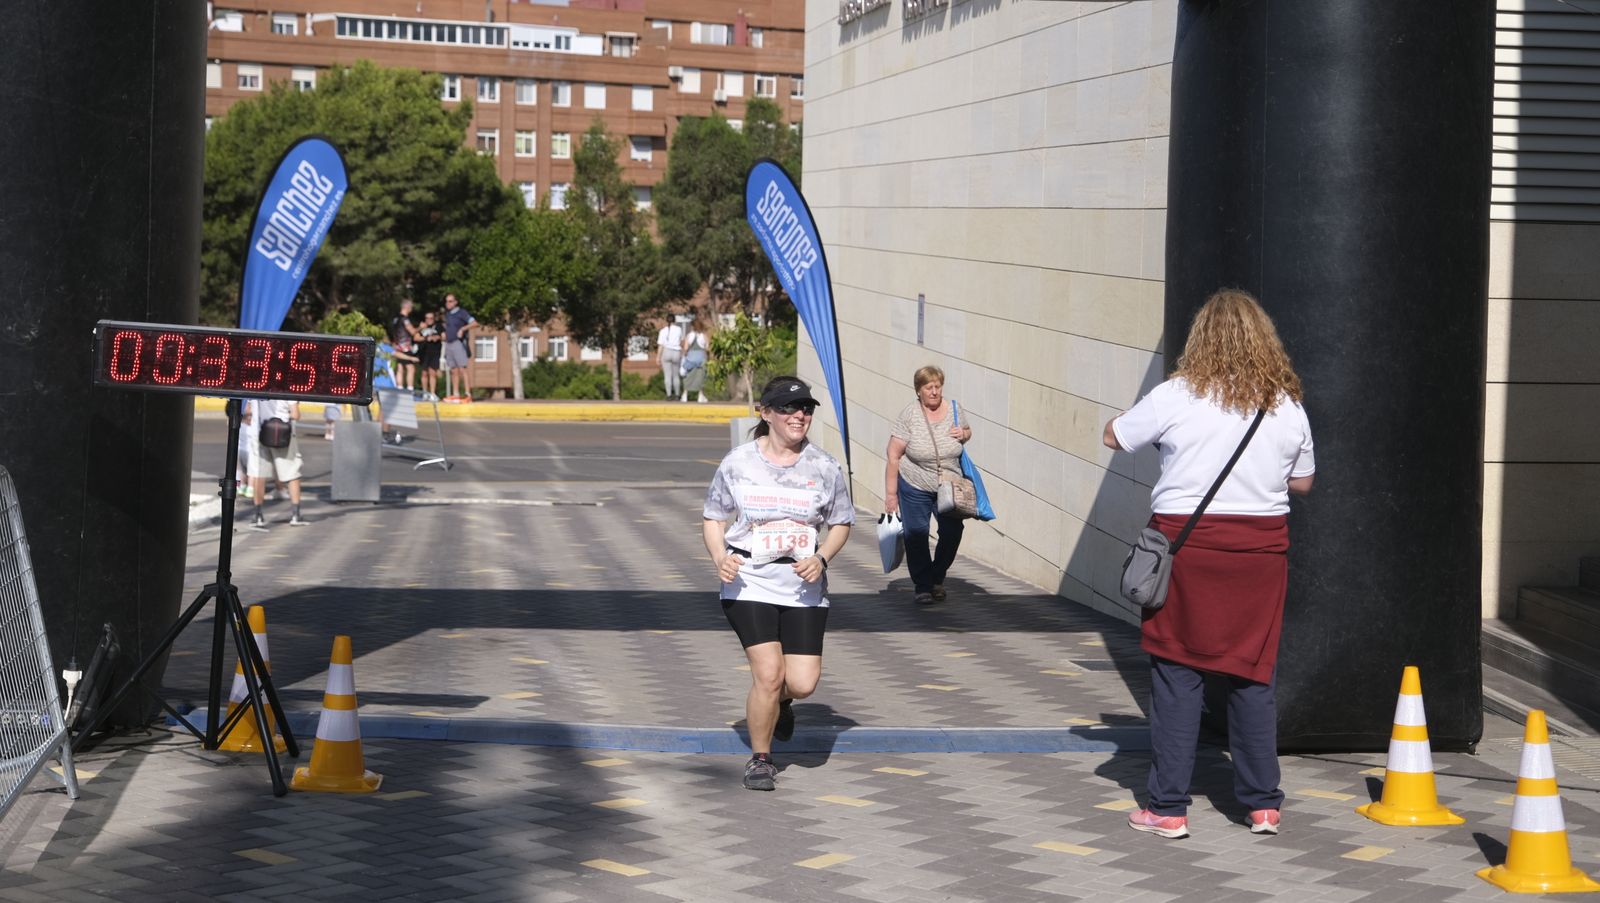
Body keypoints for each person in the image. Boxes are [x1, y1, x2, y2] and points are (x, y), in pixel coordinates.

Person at [1103, 288, 1315, 840]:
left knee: (1177, 674)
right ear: (1265, 342)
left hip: (1186, 550)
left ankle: (1168, 807)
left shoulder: (1177, 395)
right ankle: (1263, 804)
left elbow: (1115, 437)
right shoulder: (1286, 405)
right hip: (1261, 555)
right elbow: (1304, 481)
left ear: (1201, 339)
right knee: (1252, 675)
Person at [702, 376, 854, 791]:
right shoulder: (738, 462)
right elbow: (714, 516)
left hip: (801, 584)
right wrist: (720, 556)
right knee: (768, 673)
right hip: (748, 580)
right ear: (766, 413)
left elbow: (841, 523)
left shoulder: (824, 466)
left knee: (801, 683)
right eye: (789, 408)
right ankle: (761, 759)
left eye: (805, 408)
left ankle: (781, 703)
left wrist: (822, 558)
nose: (799, 415)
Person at [883, 365, 972, 605]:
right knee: (916, 535)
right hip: (915, 485)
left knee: (953, 533)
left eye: (938, 386)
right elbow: (893, 455)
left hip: (950, 486)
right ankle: (923, 586)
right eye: (928, 387)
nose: (934, 392)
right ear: (918, 390)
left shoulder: (954, 408)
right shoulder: (910, 414)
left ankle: (937, 577)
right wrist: (891, 494)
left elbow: (967, 431)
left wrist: (963, 434)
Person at [244, 399, 310, 527]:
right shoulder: (288, 387)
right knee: (292, 473)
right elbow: (296, 415)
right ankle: (296, 515)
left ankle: (258, 515)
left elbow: (248, 412)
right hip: (283, 434)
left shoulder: (256, 386)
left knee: (258, 474)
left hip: (259, 433)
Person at [442, 293, 476, 402]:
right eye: (447, 301)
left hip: (458, 343)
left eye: (450, 301)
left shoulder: (462, 313)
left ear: (456, 302)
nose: (448, 303)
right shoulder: (447, 315)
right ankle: (455, 394)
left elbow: (475, 323)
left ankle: (467, 394)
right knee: (453, 370)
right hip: (449, 343)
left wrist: (463, 329)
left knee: (462, 369)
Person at [389, 299, 420, 391]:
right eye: (410, 307)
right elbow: (412, 331)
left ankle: (399, 388)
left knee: (400, 367)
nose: (411, 309)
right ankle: (410, 389)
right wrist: (421, 327)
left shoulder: (395, 319)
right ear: (406, 307)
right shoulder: (405, 319)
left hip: (397, 345)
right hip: (405, 346)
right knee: (410, 368)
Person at [681, 315, 709, 403]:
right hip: (701, 359)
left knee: (687, 377)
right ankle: (700, 396)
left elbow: (685, 348)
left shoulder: (689, 336)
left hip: (691, 358)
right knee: (701, 377)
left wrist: (684, 356)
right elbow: (707, 348)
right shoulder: (704, 336)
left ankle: (685, 394)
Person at [416, 309, 443, 398]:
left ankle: (432, 393)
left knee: (432, 373)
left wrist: (437, 337)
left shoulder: (438, 326)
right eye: (427, 318)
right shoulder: (422, 326)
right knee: (424, 373)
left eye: (431, 318)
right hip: (424, 353)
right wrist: (426, 338)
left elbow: (444, 336)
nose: (429, 320)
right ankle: (424, 392)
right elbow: (416, 338)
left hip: (435, 352)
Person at [658, 316, 685, 401]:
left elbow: (661, 345)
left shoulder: (663, 331)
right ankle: (677, 394)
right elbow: (681, 341)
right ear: (675, 320)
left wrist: (658, 356)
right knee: (676, 375)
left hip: (666, 351)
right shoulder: (679, 329)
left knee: (667, 375)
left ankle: (669, 395)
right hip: (676, 352)